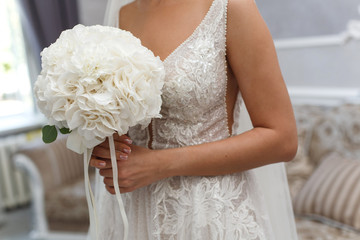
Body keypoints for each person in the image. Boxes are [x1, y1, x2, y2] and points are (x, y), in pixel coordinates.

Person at [90, 0, 299, 239]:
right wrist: (102, 146)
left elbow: (282, 139)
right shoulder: (120, 17)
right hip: (131, 214)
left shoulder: (230, 7)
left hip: (208, 215)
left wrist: (158, 164)